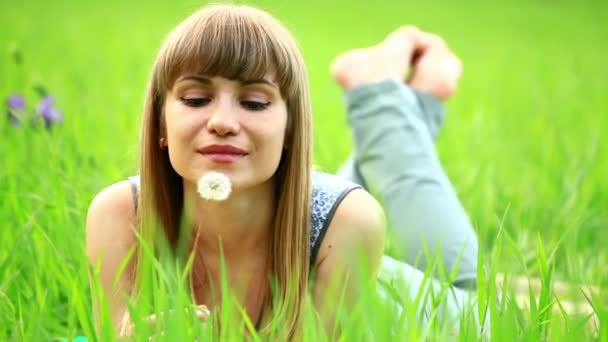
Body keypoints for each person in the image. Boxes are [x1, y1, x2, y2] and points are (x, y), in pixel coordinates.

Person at [86, 3, 479, 340]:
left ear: (291, 129)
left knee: (460, 280)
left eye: (254, 103)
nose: (222, 121)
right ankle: (416, 99)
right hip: (331, 239)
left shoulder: (350, 222)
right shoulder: (120, 217)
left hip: (421, 304)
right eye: (195, 99)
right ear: (159, 126)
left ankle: (375, 90)